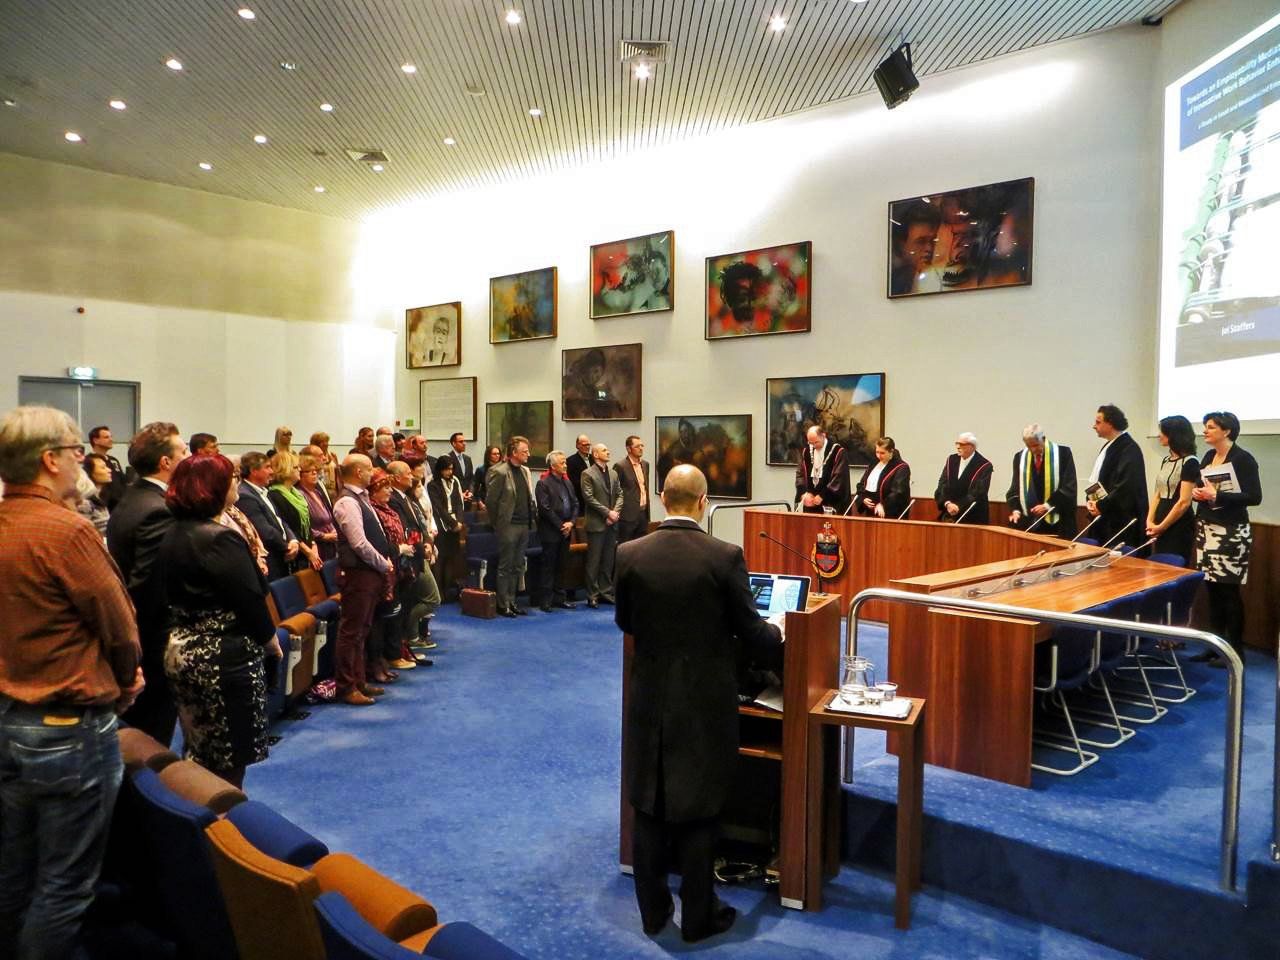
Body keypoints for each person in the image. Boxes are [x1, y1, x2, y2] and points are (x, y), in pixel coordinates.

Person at [614, 464, 782, 943]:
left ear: (664, 498)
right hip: (704, 700)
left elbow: (626, 622)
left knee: (649, 800)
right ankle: (700, 916)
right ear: (704, 501)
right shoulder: (724, 556)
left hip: (648, 695)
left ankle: (652, 914)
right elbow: (752, 634)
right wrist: (778, 631)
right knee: (700, 806)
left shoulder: (629, 553)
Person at [0, 405, 144, 960]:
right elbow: (120, 625)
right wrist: (128, 676)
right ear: (49, 460)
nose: (81, 458)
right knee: (64, 883)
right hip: (66, 725)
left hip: (8, 715)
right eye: (73, 450)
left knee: (15, 867)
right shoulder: (67, 530)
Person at [159, 454, 281, 788]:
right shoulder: (220, 537)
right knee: (229, 757)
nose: (237, 482)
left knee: (199, 749)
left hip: (182, 650)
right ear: (213, 487)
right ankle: (221, 830)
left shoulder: (173, 531)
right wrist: (272, 643)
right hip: (221, 657)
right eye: (232, 477)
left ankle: (199, 821)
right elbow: (250, 599)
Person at [107, 420, 188, 744]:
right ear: (165, 462)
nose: (188, 456)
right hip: (152, 641)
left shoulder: (132, 498)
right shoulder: (158, 510)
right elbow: (149, 586)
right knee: (151, 739)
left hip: (139, 637)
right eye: (182, 451)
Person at [1191, 411, 1263, 667]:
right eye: (1205, 427)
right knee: (1212, 590)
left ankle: (1235, 652)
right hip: (1208, 529)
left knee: (1229, 592)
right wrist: (1201, 495)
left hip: (1231, 532)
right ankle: (1215, 645)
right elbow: (1206, 489)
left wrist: (1217, 496)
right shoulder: (1210, 456)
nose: (1205, 431)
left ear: (1227, 431)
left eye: (1211, 427)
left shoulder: (1243, 459)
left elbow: (1254, 497)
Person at [332, 455, 396, 705]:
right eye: (369, 469)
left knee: (362, 630)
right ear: (358, 472)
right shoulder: (347, 502)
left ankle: (358, 681)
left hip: (368, 573)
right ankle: (346, 687)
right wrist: (383, 563)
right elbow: (358, 543)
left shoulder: (360, 497)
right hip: (359, 574)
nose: (373, 473)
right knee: (351, 632)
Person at [386, 460, 441, 656]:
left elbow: (419, 525)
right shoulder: (393, 499)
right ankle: (410, 636)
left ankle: (411, 637)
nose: (412, 476)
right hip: (408, 558)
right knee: (430, 598)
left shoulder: (407, 498)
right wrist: (421, 544)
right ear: (397, 477)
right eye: (408, 473)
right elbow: (404, 530)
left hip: (417, 554)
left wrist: (427, 542)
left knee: (418, 599)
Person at [367, 469, 417, 681]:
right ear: (374, 491)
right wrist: (399, 549)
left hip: (398, 568)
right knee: (386, 616)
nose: (389, 491)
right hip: (384, 568)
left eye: (389, 487)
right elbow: (378, 542)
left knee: (396, 612)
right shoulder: (373, 510)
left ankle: (393, 654)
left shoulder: (387, 508)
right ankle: (387, 657)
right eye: (385, 488)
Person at [485, 436, 538, 617]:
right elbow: (491, 502)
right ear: (514, 453)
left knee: (518, 565)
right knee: (505, 566)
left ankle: (513, 600)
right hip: (508, 525)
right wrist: (498, 524)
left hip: (524, 524)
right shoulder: (499, 472)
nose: (528, 455)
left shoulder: (524, 471)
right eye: (525, 452)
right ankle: (503, 603)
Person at [1085, 404, 1149, 550]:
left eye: (1098, 422)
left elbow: (1126, 487)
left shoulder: (1129, 449)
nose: (1094, 426)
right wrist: (1092, 502)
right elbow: (1099, 482)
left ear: (1111, 423)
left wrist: (1101, 505)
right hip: (1106, 515)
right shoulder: (1109, 446)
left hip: (1121, 520)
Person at [1144, 415, 1201, 564]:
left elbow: (1184, 502)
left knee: (1174, 564)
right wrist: (1150, 521)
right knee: (1158, 564)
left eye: (1162, 431)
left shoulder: (1190, 462)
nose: (1159, 435)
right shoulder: (1166, 460)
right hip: (1161, 518)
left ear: (1174, 434)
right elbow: (1157, 493)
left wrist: (1162, 527)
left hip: (1178, 524)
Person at [1006, 424, 1078, 539]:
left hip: (1057, 521)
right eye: (1029, 446)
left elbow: (1069, 487)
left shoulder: (1063, 454)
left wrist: (1048, 505)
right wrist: (1016, 510)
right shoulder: (1020, 457)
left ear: (1043, 439)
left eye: (1035, 445)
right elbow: (1014, 489)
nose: (1033, 450)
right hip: (1029, 522)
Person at [237, 451, 299, 581]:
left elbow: (280, 521)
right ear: (254, 471)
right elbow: (265, 531)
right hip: (272, 560)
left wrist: (293, 540)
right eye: (267, 467)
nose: (272, 471)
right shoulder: (245, 495)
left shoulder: (264, 491)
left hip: (282, 556)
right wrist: (286, 547)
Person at [581, 441, 623, 608]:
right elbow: (589, 498)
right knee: (594, 560)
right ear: (596, 454)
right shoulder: (587, 473)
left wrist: (615, 513)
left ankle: (606, 591)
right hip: (596, 523)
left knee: (608, 560)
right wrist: (608, 513)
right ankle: (592, 594)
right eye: (604, 450)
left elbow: (620, 493)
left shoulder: (613, 473)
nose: (608, 452)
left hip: (611, 523)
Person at [267, 450, 323, 572]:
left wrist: (313, 545)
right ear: (285, 470)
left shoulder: (295, 493)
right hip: (296, 554)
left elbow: (308, 525)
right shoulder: (275, 495)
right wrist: (308, 552)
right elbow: (288, 526)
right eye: (296, 467)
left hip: (309, 549)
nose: (299, 470)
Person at [536, 450, 578, 612]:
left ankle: (559, 597)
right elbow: (545, 509)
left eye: (565, 462)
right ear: (553, 466)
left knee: (562, 565)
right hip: (551, 531)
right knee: (549, 566)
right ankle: (546, 600)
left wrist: (572, 523)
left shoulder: (567, 482)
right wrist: (562, 525)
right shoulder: (544, 484)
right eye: (562, 463)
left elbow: (575, 504)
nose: (565, 465)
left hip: (566, 530)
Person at [427, 456, 466, 600]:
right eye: (446, 469)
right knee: (440, 558)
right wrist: (452, 523)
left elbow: (460, 504)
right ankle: (439, 592)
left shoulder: (455, 481)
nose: (449, 472)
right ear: (440, 469)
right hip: (441, 523)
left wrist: (459, 522)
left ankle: (447, 589)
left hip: (455, 523)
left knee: (451, 557)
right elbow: (437, 507)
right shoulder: (433, 484)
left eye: (451, 469)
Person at [933, 431, 992, 524]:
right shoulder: (951, 460)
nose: (958, 447)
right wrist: (947, 503)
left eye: (961, 444)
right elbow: (942, 484)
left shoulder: (984, 465)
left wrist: (958, 506)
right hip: (949, 513)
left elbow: (978, 492)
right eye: (957, 443)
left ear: (971, 446)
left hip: (973, 517)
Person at [794, 424, 850, 515]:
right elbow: (800, 473)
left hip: (829, 501)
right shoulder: (806, 451)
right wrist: (803, 493)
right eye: (811, 443)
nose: (814, 446)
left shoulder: (838, 451)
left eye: (816, 442)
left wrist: (823, 495)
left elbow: (839, 478)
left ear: (823, 436)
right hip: (810, 501)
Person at [855, 437, 911, 519]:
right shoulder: (874, 463)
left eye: (882, 453)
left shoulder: (902, 467)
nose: (878, 456)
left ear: (891, 451)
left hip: (889, 514)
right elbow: (861, 484)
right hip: (870, 512)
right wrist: (863, 498)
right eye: (877, 452)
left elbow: (898, 492)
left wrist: (883, 505)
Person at [298, 453, 339, 561]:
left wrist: (334, 531)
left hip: (332, 545)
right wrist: (324, 536)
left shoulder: (317, 492)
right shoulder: (300, 495)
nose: (314, 473)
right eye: (309, 471)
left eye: (315, 470)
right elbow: (304, 525)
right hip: (318, 547)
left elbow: (329, 517)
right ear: (300, 474)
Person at [613, 435, 651, 543]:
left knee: (641, 546)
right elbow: (615, 491)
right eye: (637, 446)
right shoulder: (620, 466)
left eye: (642, 445)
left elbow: (644, 487)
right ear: (629, 449)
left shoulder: (645, 464)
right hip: (627, 516)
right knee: (625, 546)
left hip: (643, 513)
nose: (641, 448)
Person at [87, 424, 127, 509]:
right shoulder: (89, 461)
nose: (111, 440)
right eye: (106, 437)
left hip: (120, 507)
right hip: (103, 506)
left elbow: (123, 481)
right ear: (95, 440)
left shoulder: (114, 460)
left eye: (111, 437)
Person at [79, 452, 114, 535]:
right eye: (103, 468)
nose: (109, 470)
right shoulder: (85, 502)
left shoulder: (103, 496)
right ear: (90, 472)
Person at [566, 434, 593, 515]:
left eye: (589, 444)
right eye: (585, 445)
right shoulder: (570, 461)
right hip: (580, 500)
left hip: (594, 500)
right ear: (578, 445)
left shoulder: (594, 458)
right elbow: (573, 482)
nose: (587, 447)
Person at [447, 432, 476, 506]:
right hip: (454, 500)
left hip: (468, 499)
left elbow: (471, 478)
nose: (464, 443)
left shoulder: (467, 459)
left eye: (464, 441)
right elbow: (448, 480)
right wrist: (460, 494)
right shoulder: (448, 458)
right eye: (461, 442)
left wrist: (470, 492)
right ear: (454, 444)